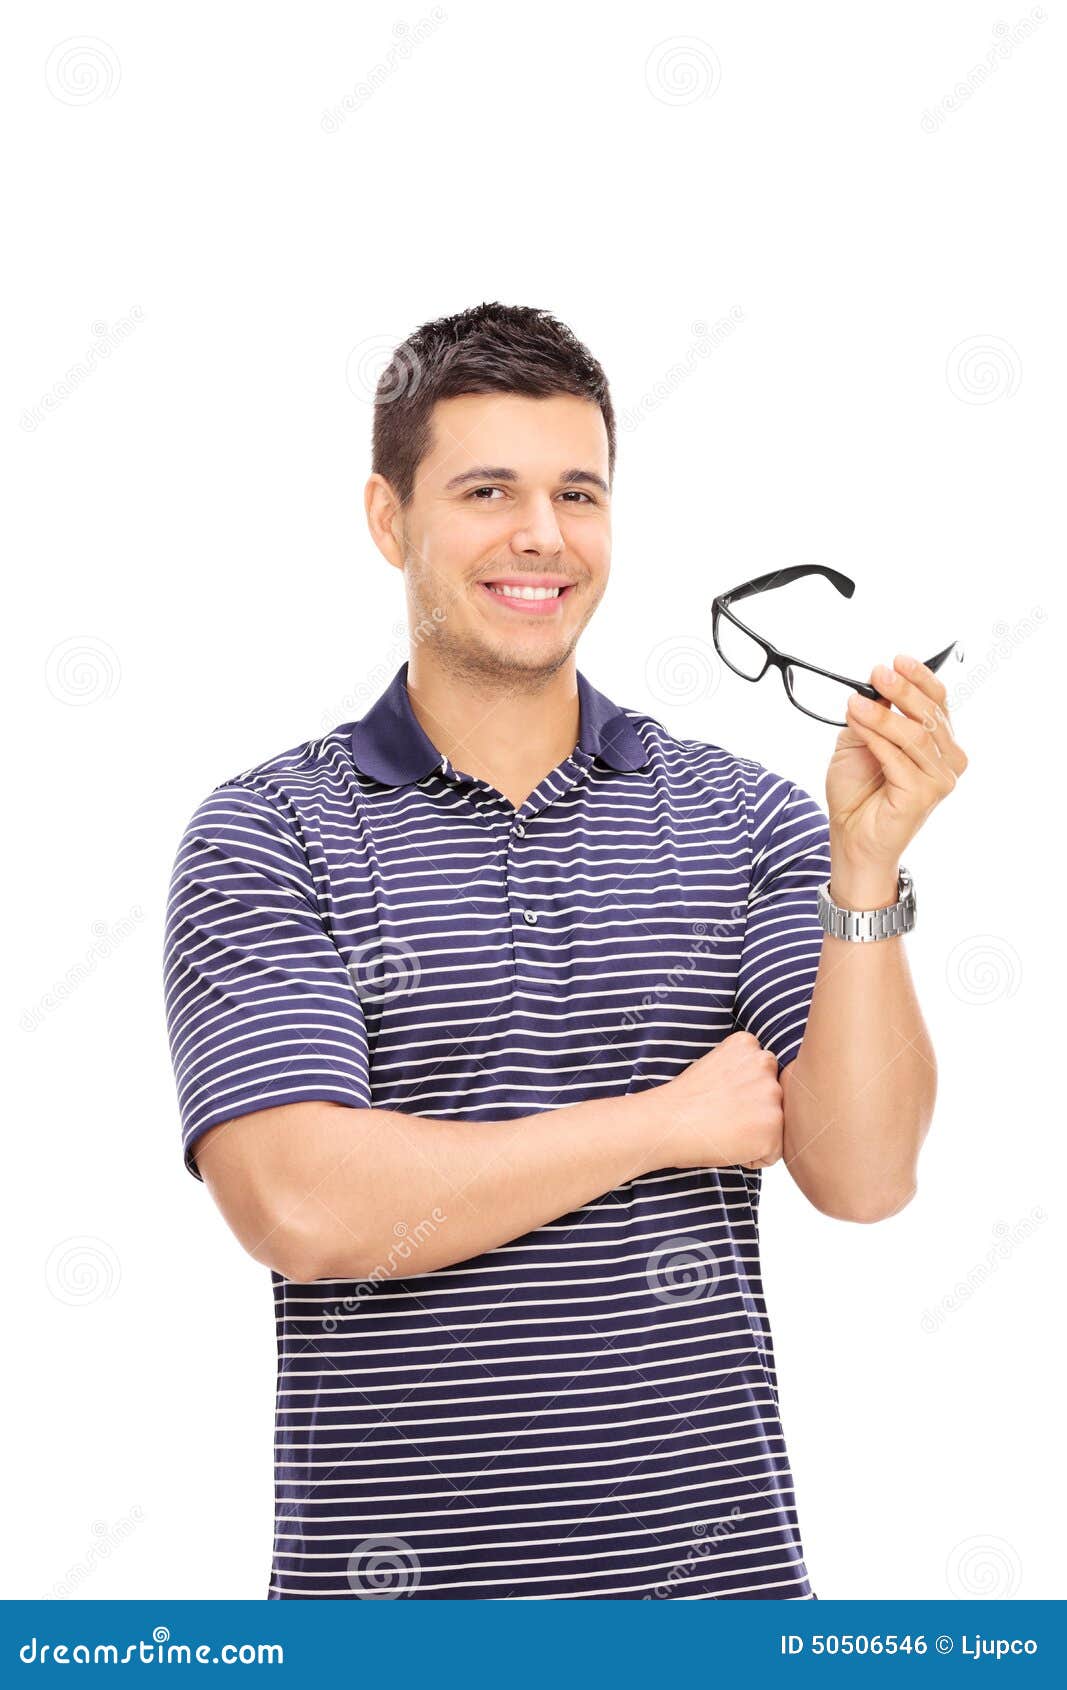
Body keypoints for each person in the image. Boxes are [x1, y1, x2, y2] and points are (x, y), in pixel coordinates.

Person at [163, 302, 967, 1600]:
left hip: (719, 1624)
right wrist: (665, 1121)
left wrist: (862, 870)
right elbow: (303, 1204)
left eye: (577, 492)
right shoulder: (271, 831)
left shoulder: (750, 820)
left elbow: (865, 1173)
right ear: (390, 520)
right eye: (489, 489)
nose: (543, 534)